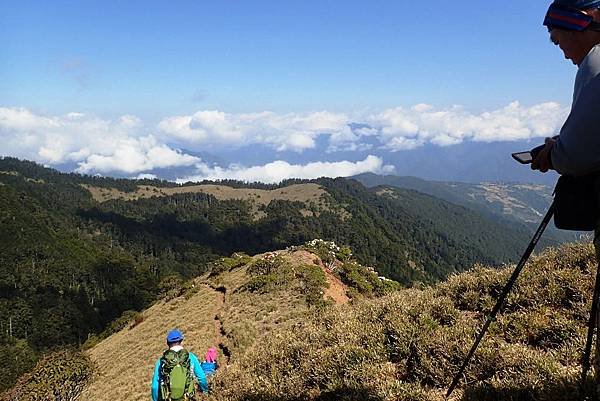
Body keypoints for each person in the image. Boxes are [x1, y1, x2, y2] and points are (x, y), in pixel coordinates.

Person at [533, 0, 600, 394]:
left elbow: (579, 153)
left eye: (560, 40)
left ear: (581, 25)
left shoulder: (596, 63)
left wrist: (553, 154)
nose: (562, 51)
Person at [151, 329, 209, 401]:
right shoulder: (190, 357)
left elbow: (154, 387)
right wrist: (206, 392)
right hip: (187, 398)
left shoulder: (161, 361)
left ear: (167, 343)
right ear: (181, 341)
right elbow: (202, 378)